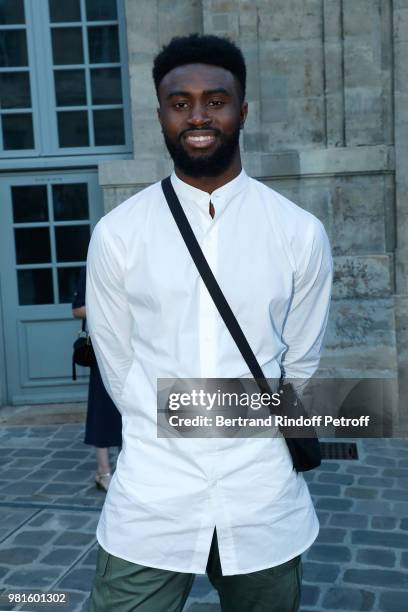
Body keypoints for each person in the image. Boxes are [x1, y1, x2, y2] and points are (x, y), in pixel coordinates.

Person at [86, 34, 333, 611]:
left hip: (261, 493)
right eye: (181, 103)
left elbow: (298, 365)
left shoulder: (298, 233)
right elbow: (118, 366)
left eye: (216, 100)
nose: (198, 115)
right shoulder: (118, 235)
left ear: (242, 111)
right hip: (153, 494)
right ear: (161, 116)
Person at [72, 267, 122, 492]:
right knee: (101, 409)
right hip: (102, 351)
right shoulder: (90, 270)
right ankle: (103, 471)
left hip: (128, 346)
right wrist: (107, 306)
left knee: (128, 409)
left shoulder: (129, 268)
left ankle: (126, 467)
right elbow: (77, 310)